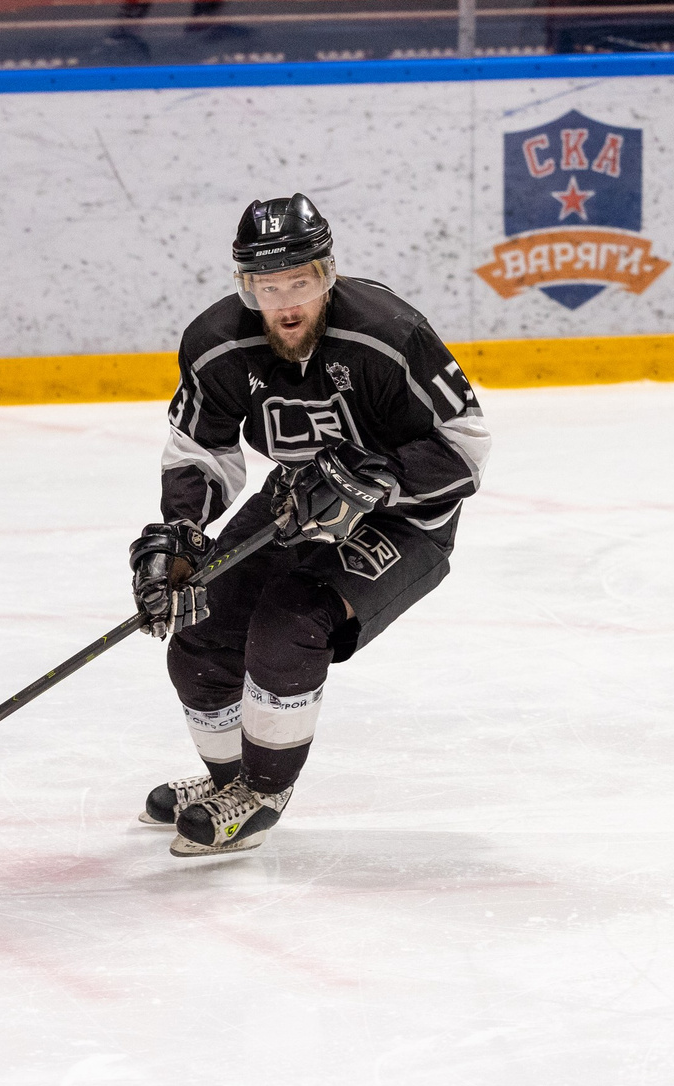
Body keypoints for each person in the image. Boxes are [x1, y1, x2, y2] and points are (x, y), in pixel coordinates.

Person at [129, 194, 490, 856]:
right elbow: (201, 450)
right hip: (297, 497)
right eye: (268, 287)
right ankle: (230, 783)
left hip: (408, 516)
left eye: (301, 282)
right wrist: (182, 535)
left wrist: (375, 477)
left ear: (328, 274)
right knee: (201, 627)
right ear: (247, 287)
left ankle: (262, 794)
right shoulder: (218, 345)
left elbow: (464, 449)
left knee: (291, 620)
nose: (287, 303)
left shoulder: (388, 334)